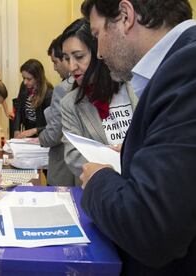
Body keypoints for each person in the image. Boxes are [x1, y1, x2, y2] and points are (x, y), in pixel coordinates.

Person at [80, 0, 196, 274]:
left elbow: (151, 228)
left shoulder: (187, 68)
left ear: (125, 16)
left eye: (97, 35)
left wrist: (98, 179)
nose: (98, 53)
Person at [59, 18, 138, 177]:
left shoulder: (136, 87)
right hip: (103, 188)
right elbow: (74, 157)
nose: (71, 67)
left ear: (99, 52)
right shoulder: (70, 104)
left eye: (79, 56)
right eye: (67, 58)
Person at [37, 36, 75, 186]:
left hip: (64, 167)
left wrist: (40, 138)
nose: (54, 68)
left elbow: (54, 134)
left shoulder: (62, 89)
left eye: (55, 62)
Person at [13, 59, 53, 138]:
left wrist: (35, 130)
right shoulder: (24, 86)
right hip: (28, 131)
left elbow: (53, 124)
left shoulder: (48, 93)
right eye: (23, 78)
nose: (25, 82)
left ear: (38, 78)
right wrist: (16, 129)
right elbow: (19, 108)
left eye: (29, 79)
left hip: (42, 134)